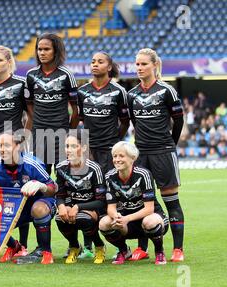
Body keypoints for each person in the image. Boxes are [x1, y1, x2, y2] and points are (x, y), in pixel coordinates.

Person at [128, 48, 185, 262]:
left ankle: (178, 249)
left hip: (163, 151)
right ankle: (142, 248)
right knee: (141, 202)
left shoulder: (166, 91)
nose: (140, 68)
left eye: (144, 64)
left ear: (154, 66)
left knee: (171, 201)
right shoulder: (132, 94)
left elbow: (178, 120)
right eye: (137, 64)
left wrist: (171, 143)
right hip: (140, 154)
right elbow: (134, 122)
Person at [0, 131, 57, 264]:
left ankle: (45, 251)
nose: (2, 149)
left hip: (40, 204)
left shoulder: (32, 164)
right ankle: (14, 247)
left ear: (18, 147)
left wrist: (40, 186)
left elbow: (53, 189)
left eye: (6, 145)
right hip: (15, 208)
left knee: (38, 209)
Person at [77, 51, 129, 257]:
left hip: (110, 152)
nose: (95, 65)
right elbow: (81, 121)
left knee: (112, 195)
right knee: (88, 194)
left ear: (109, 67)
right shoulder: (82, 92)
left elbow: (125, 121)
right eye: (92, 61)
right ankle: (90, 246)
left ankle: (121, 246)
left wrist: (114, 142)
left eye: (100, 62)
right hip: (89, 152)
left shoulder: (118, 91)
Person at [0, 45, 32, 257]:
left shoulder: (21, 84)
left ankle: (24, 243)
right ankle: (0, 241)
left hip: (15, 143)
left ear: (9, 62)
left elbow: (30, 114)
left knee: (21, 192)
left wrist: (22, 139)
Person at [99, 141, 169, 265]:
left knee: (150, 221)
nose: (117, 160)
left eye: (121, 156)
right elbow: (111, 207)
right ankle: (124, 251)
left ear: (132, 158)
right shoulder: (110, 176)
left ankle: (159, 251)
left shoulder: (143, 174)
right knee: (104, 223)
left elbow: (149, 209)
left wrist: (126, 218)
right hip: (127, 223)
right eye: (115, 156)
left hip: (150, 218)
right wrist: (117, 216)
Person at [25, 33, 79, 174]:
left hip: (61, 132)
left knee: (64, 175)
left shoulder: (66, 75)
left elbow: (76, 109)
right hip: (39, 133)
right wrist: (37, 119)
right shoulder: (31, 75)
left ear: (56, 51)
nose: (42, 53)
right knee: (40, 175)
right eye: (39, 49)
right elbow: (29, 104)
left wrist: (70, 132)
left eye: (46, 49)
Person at [55, 130, 107, 264]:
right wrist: (61, 206)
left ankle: (99, 246)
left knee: (83, 218)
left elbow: (101, 201)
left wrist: (79, 207)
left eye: (73, 146)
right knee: (60, 217)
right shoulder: (61, 168)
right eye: (67, 146)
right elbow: (60, 194)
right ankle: (74, 247)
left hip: (93, 208)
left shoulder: (95, 169)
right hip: (72, 207)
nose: (69, 150)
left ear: (83, 148)